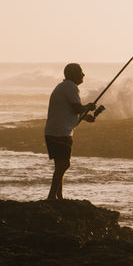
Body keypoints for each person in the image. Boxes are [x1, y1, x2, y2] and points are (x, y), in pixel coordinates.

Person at [44, 63, 101, 201]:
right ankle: (52, 196)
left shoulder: (64, 87)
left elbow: (68, 110)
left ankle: (59, 196)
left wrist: (85, 117)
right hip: (60, 132)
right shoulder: (70, 87)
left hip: (53, 131)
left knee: (60, 165)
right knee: (64, 164)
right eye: (81, 72)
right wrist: (89, 106)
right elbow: (76, 108)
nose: (83, 75)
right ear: (72, 75)